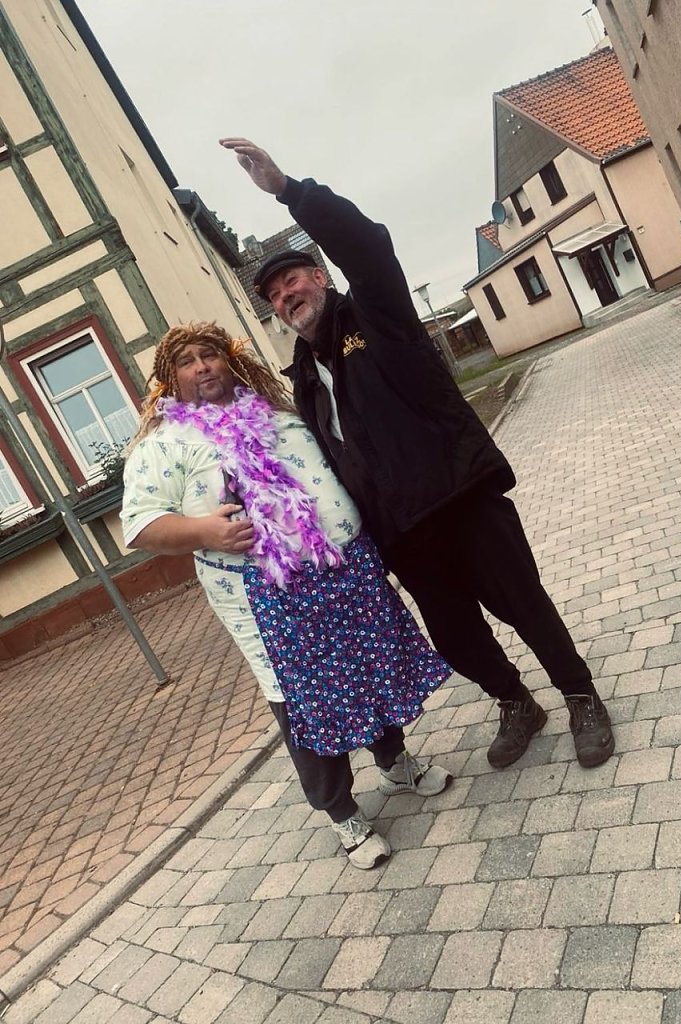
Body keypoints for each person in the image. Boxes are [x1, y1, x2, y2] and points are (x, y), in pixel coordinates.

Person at [219, 137, 616, 772]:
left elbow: (368, 245)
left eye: (291, 279)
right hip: (400, 532)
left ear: (320, 277)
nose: (285, 295)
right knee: (456, 636)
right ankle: (516, 702)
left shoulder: (376, 315)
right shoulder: (303, 376)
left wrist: (290, 191)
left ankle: (580, 696)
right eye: (273, 294)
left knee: (523, 605)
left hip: (458, 497)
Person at [120, 322, 453, 870]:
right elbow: (139, 527)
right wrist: (205, 532)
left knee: (368, 668)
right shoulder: (164, 446)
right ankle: (342, 812)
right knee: (302, 699)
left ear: (229, 361)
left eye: (210, 355)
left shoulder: (280, 416)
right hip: (264, 599)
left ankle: (394, 765)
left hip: (343, 575)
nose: (202, 366)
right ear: (170, 381)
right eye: (187, 361)